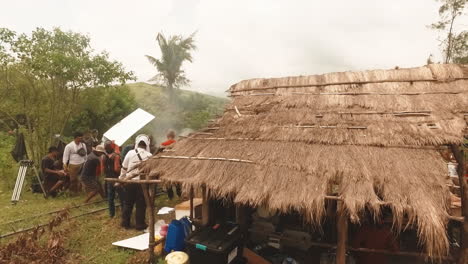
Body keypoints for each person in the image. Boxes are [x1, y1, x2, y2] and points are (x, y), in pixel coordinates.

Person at [118, 134, 152, 230]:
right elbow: (150, 172)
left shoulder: (130, 153)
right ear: (146, 145)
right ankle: (140, 225)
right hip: (142, 184)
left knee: (128, 203)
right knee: (141, 204)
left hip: (130, 182)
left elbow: (124, 168)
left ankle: (125, 224)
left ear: (137, 143)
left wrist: (121, 179)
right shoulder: (149, 156)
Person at [103, 140, 124, 217]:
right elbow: (117, 169)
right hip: (117, 178)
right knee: (122, 197)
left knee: (110, 198)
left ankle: (111, 214)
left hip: (108, 179)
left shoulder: (103, 156)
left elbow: (103, 170)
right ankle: (123, 213)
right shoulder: (116, 156)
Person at [161, 131, 181, 199]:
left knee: (168, 181)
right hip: (175, 164)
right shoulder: (177, 143)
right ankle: (179, 195)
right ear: (174, 136)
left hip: (166, 164)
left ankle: (170, 197)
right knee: (177, 180)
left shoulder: (163, 144)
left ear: (167, 136)